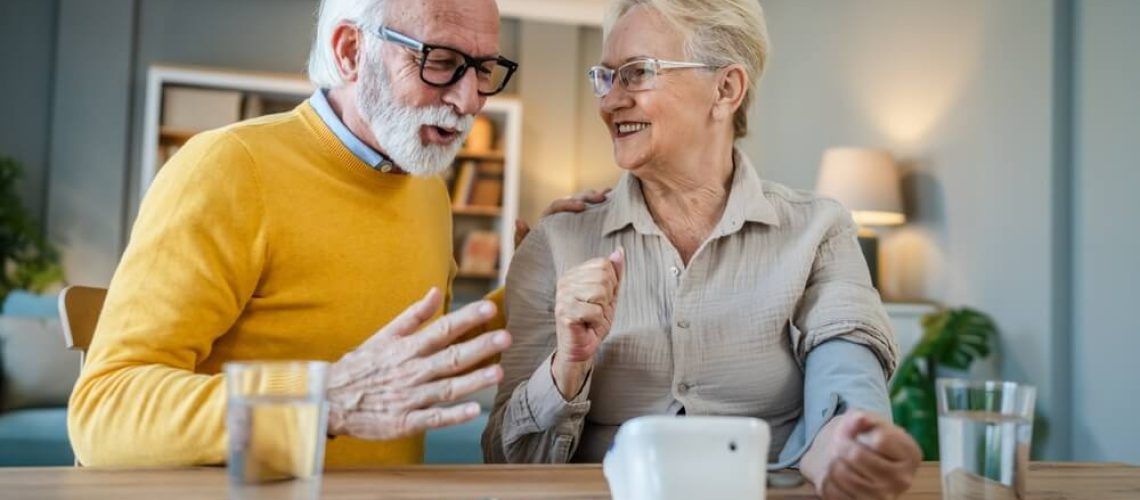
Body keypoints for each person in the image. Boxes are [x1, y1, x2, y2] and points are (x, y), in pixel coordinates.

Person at [68, 0, 603, 467]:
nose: (469, 100)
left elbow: (408, 364)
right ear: (351, 51)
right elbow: (104, 411)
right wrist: (322, 401)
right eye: (440, 63)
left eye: (485, 70)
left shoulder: (427, 189)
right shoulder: (229, 167)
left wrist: (533, 285)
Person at [483, 1, 922, 498]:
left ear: (726, 89)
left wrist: (847, 442)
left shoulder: (818, 229)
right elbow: (503, 457)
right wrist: (568, 365)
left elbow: (846, 368)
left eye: (637, 73)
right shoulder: (556, 243)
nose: (610, 101)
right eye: (605, 78)